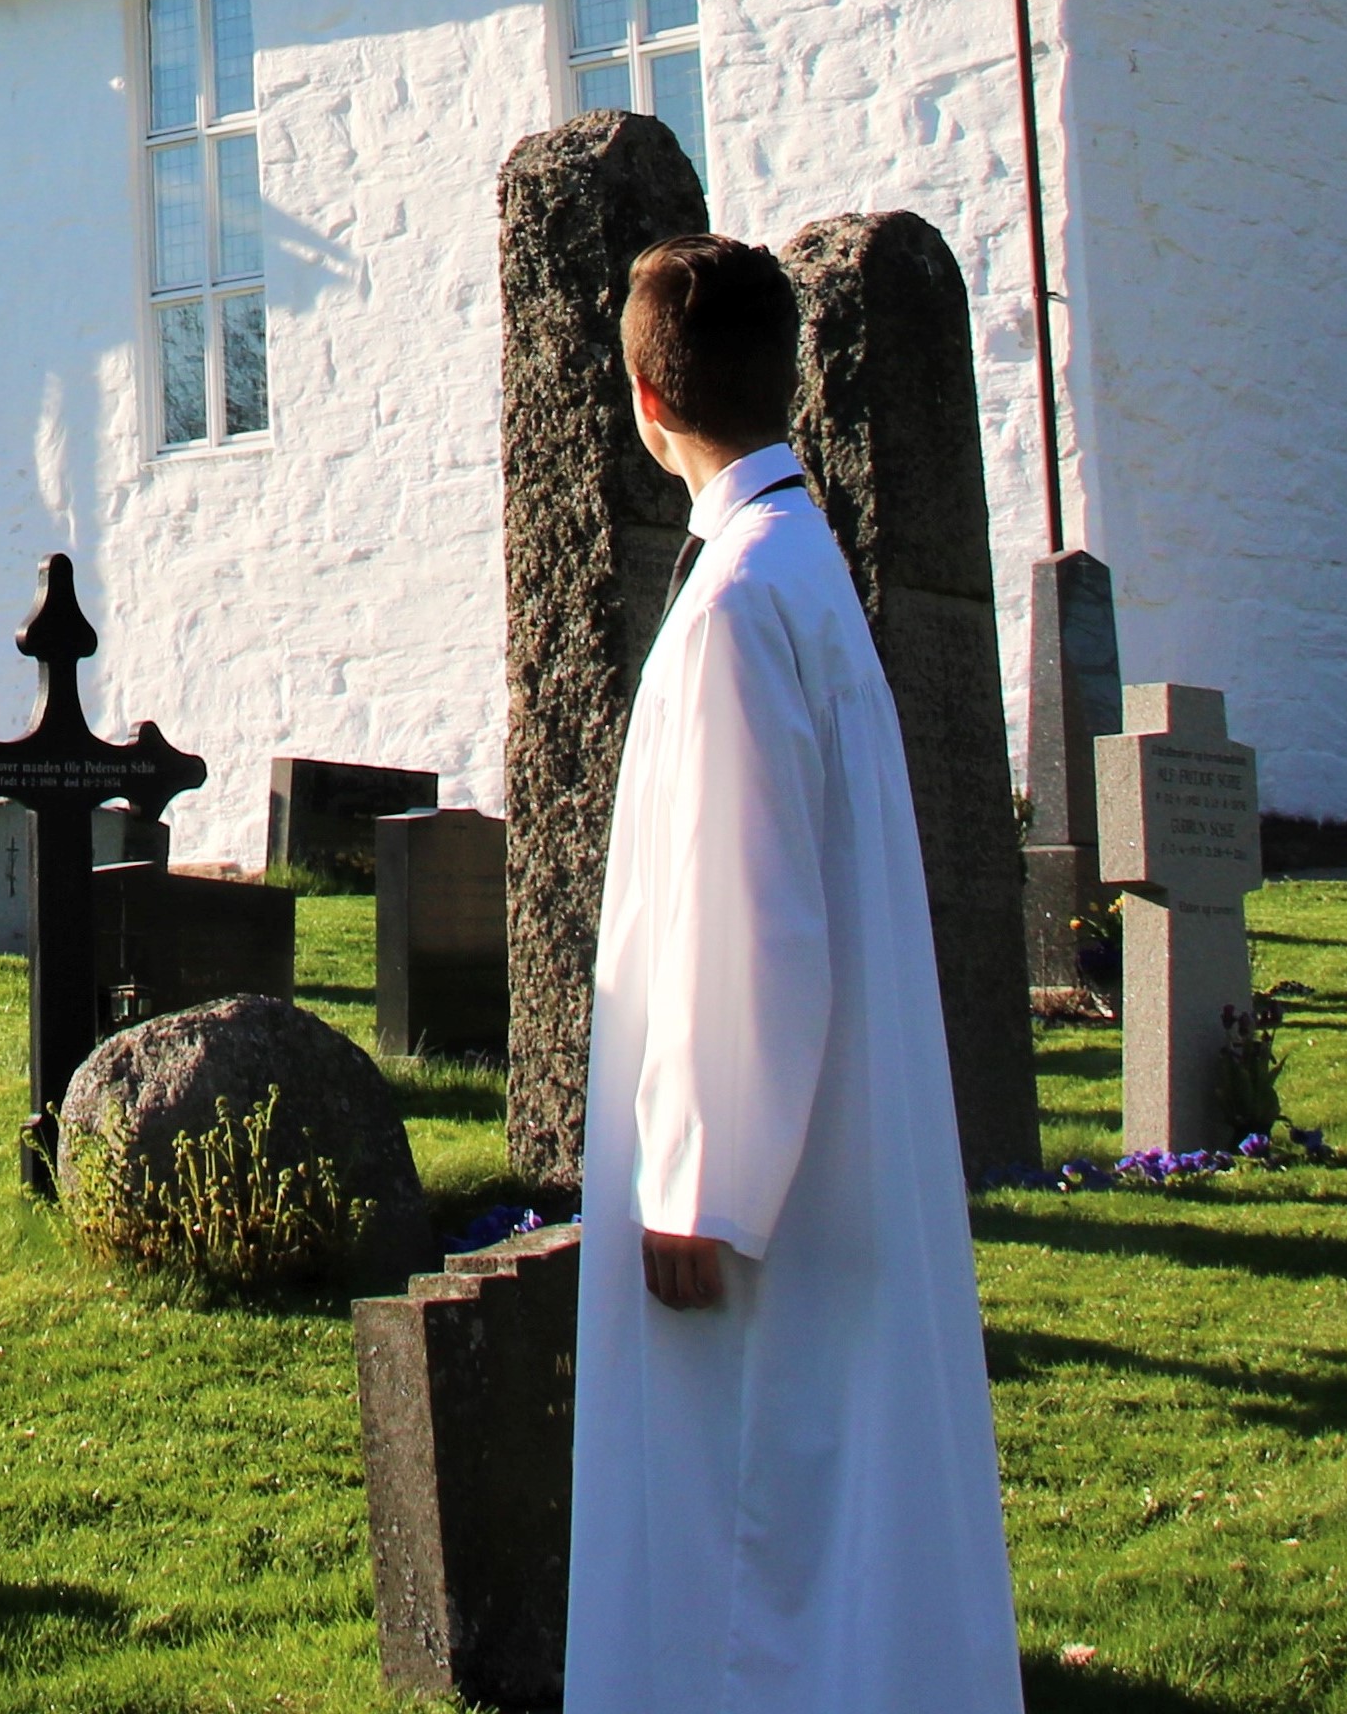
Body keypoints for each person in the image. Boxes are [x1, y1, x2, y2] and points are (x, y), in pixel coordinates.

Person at [566, 235, 1019, 1711]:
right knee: (838, 1521)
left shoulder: (739, 604)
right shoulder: (801, 568)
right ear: (795, 376)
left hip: (765, 1184)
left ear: (643, 400)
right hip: (831, 1152)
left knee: (753, 1544)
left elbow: (748, 914)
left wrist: (703, 1180)